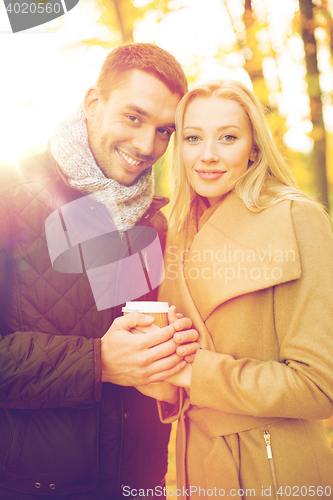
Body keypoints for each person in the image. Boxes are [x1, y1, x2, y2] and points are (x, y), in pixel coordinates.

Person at [0, 43, 200, 500]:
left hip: (139, 485)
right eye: (134, 117)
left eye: (165, 130)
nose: (148, 146)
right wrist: (99, 362)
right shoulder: (9, 192)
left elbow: (148, 367)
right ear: (93, 104)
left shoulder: (154, 221)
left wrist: (169, 371)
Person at [157, 80, 333, 499]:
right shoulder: (177, 229)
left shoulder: (297, 219)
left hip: (271, 467)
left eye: (229, 138)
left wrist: (190, 372)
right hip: (192, 464)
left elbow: (321, 386)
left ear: (254, 146)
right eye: (194, 138)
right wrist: (160, 376)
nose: (208, 155)